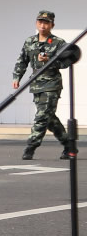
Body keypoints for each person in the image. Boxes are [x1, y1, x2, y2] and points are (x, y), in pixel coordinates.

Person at [14, 11, 79, 161]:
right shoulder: (30, 41)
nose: (43, 25)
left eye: (46, 23)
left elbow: (66, 62)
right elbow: (22, 60)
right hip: (36, 84)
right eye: (40, 22)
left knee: (42, 117)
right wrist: (17, 77)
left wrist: (50, 60)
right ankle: (69, 145)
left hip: (51, 84)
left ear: (52, 25)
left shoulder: (59, 43)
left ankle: (30, 147)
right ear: (36, 23)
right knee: (49, 119)